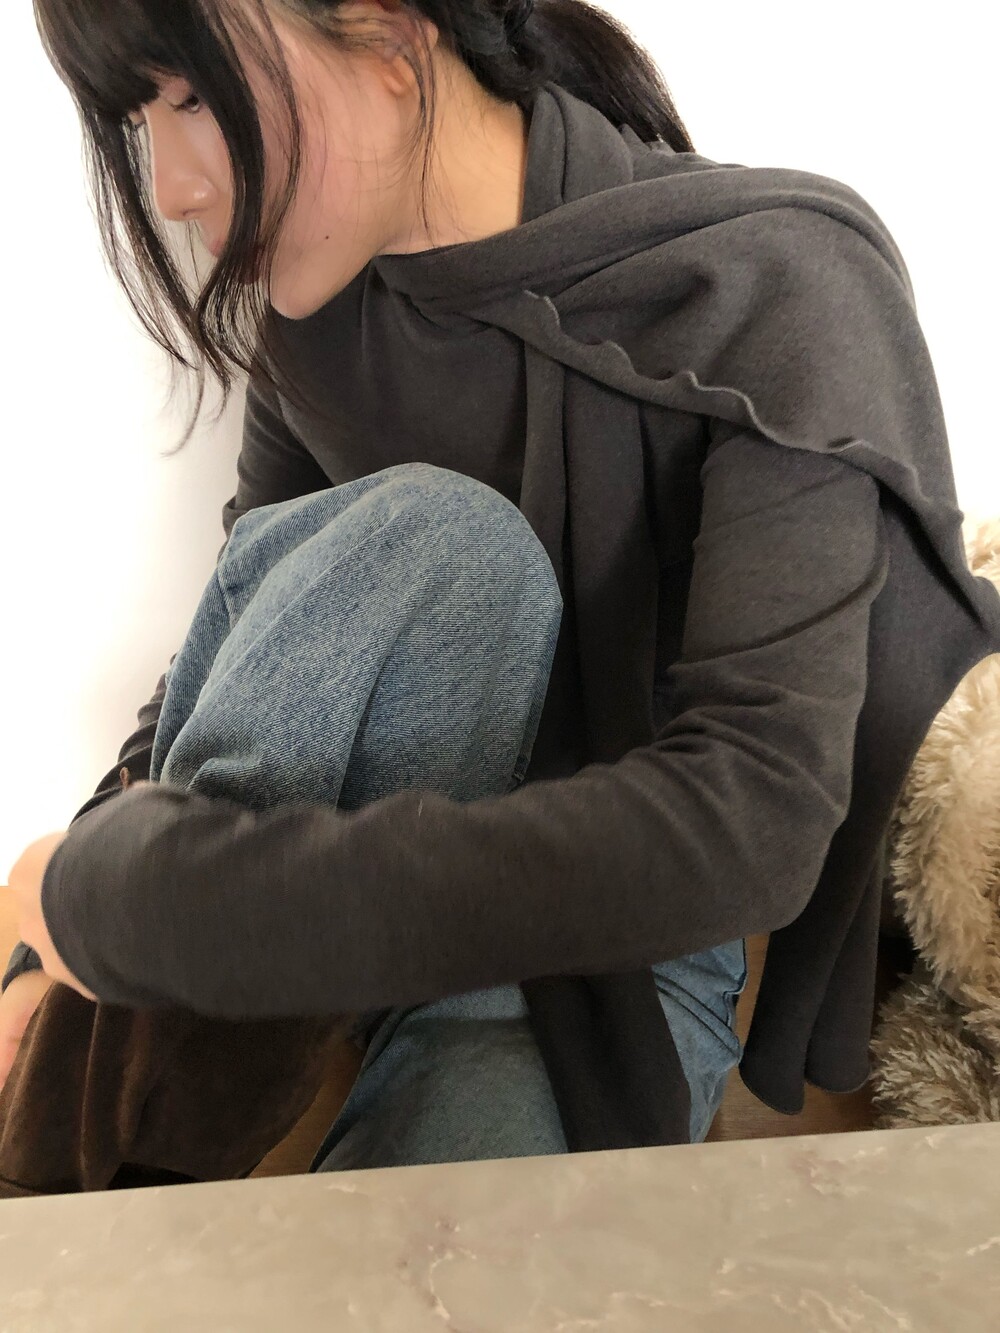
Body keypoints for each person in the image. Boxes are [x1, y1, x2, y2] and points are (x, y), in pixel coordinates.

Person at [3, 0, 998, 1179]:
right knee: (444, 547)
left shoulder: (770, 286)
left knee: (439, 1254)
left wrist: (175, 910)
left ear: (387, 31)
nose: (170, 188)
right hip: (288, 936)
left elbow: (749, 821)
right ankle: (106, 1146)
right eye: (141, 119)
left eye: (191, 98)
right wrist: (68, 907)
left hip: (601, 958)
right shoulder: (310, 326)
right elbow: (242, 649)